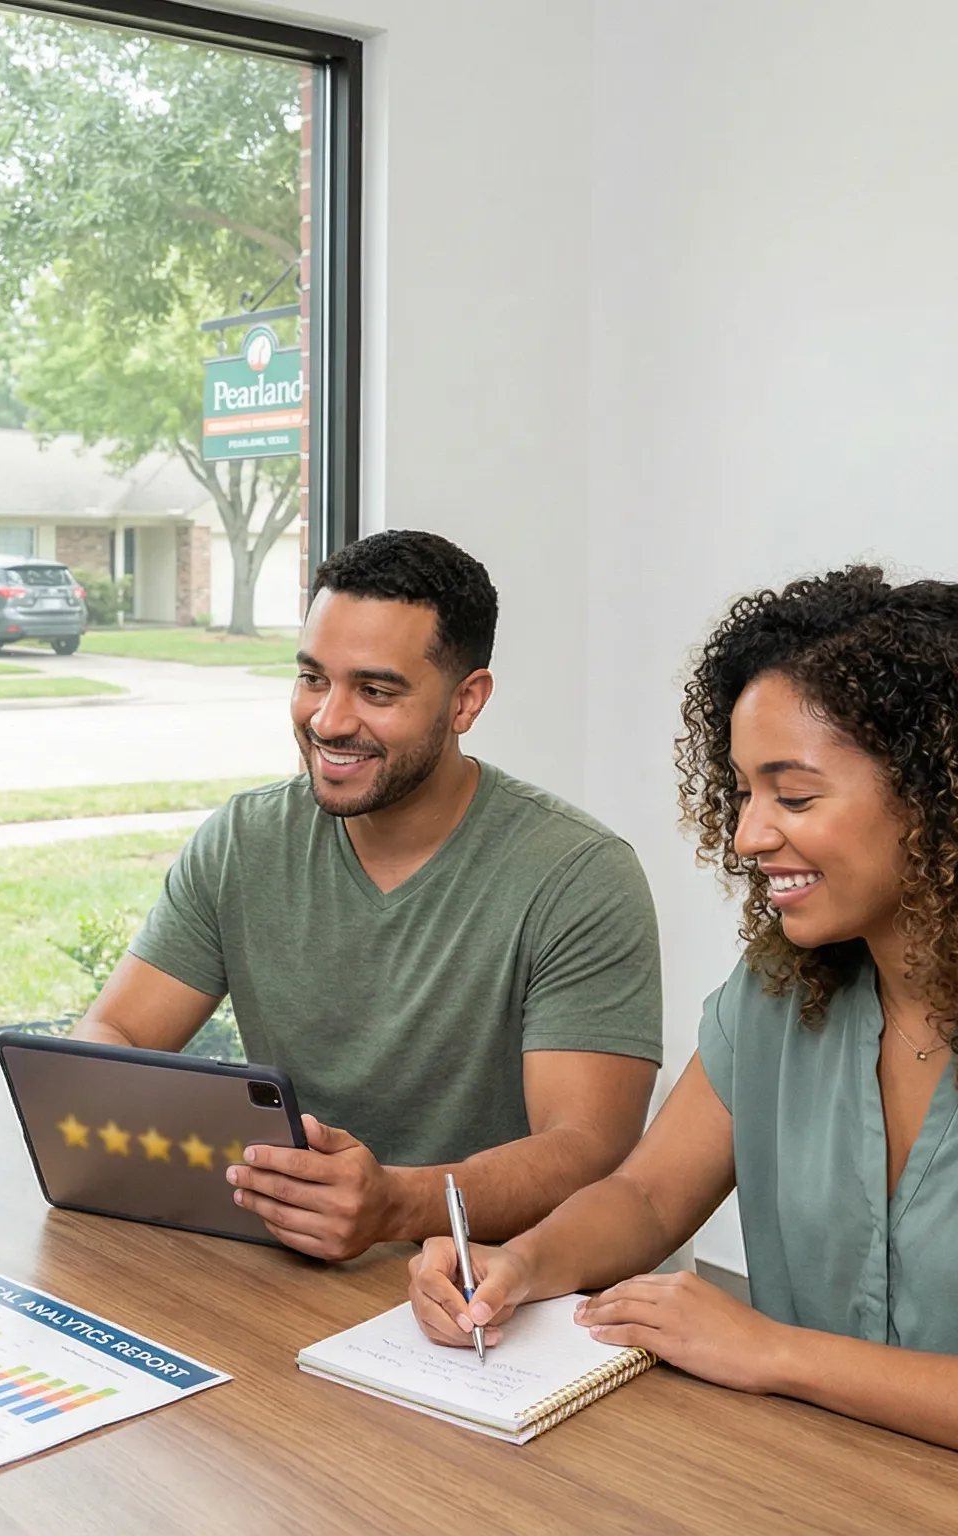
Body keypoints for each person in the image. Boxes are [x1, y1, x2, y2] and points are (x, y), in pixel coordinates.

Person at [409, 566, 958, 1506]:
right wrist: (522, 1263)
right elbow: (648, 1198)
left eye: (793, 796)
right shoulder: (780, 993)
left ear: (947, 798)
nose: (745, 835)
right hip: (841, 1491)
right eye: (742, 792)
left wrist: (775, 1350)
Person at [73, 530, 665, 1262]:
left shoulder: (579, 875)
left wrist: (397, 1204)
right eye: (313, 678)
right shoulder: (243, 841)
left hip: (502, 1287)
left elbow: (586, 1151)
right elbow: (112, 1040)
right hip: (298, 1268)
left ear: (466, 701)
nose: (328, 720)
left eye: (376, 691)